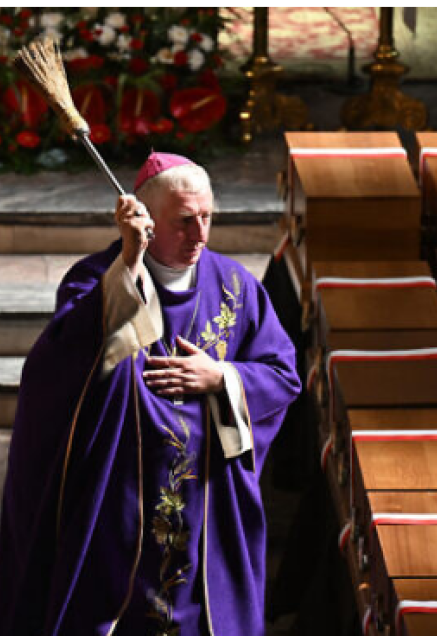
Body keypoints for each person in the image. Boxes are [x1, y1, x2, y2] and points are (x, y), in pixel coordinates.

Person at [0, 152, 301, 636]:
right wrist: (130, 261)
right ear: (146, 220)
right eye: (184, 222)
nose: (200, 235)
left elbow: (283, 374)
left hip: (207, 502)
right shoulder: (95, 278)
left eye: (207, 217)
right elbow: (59, 373)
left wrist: (220, 376)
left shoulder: (235, 288)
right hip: (119, 503)